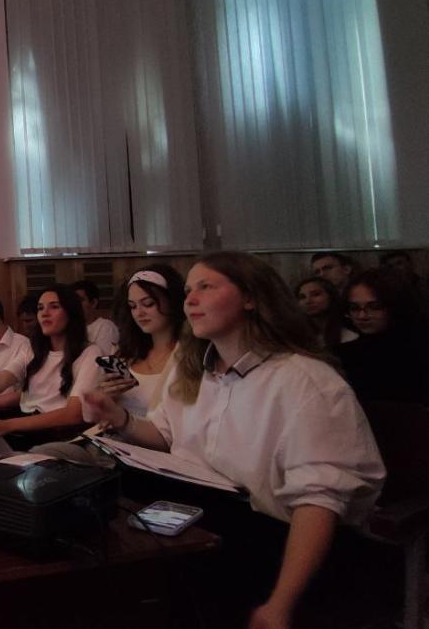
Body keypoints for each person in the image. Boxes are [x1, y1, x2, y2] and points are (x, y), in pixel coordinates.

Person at [83, 251, 385, 628]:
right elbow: (164, 434)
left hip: (275, 536)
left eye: (205, 287)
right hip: (205, 515)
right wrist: (121, 419)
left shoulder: (305, 380)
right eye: (188, 291)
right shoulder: (194, 371)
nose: (190, 300)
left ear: (251, 297)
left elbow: (319, 502)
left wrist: (280, 604)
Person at [0, 285, 101, 448]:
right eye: (40, 308)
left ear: (71, 313)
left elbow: (73, 415)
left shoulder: (89, 353)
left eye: (54, 307)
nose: (44, 313)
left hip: (59, 436)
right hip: (27, 428)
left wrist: (9, 425)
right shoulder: (34, 350)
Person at [96, 265, 186, 419]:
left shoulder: (188, 354)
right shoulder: (126, 354)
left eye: (148, 303)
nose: (139, 313)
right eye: (133, 306)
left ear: (172, 301)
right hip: (117, 432)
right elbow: (97, 416)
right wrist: (107, 396)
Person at [334, 268, 429, 405]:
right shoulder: (343, 355)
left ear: (396, 306)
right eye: (354, 308)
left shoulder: (421, 347)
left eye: (375, 307)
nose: (362, 316)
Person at [294, 276, 355, 348]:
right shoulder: (298, 335)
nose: (308, 301)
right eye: (302, 297)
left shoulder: (349, 335)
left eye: (316, 294)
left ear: (331, 297)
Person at [72, 280, 119, 353]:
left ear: (93, 303)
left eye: (80, 300)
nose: (75, 304)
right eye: (73, 301)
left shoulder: (106, 327)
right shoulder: (69, 328)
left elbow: (104, 358)